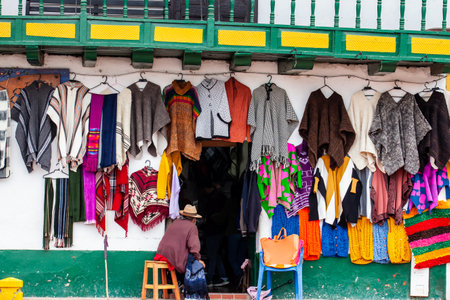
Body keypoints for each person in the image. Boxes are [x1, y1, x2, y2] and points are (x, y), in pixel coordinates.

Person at [155, 204, 205, 273]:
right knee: (195, 262)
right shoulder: (192, 227)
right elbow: (194, 247)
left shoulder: (176, 222)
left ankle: (175, 279)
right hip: (173, 258)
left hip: (162, 254)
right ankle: (183, 281)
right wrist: (198, 259)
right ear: (194, 219)